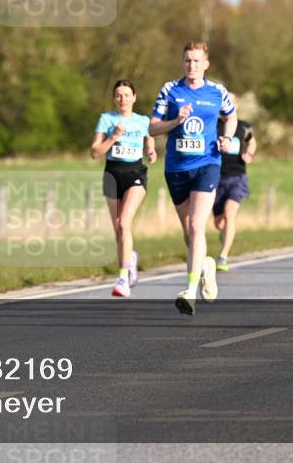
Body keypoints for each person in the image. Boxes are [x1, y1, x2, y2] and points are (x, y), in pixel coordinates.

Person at [151, 41, 236, 316]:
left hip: (207, 164)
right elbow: (152, 127)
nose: (192, 66)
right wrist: (175, 121)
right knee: (189, 233)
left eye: (197, 61)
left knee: (198, 228)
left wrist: (227, 136)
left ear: (206, 64)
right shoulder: (170, 90)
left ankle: (189, 291)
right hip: (176, 169)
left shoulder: (217, 92)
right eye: (188, 60)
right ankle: (206, 265)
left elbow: (231, 116)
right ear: (183, 62)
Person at [90, 80, 157, 298]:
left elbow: (150, 140)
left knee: (124, 222)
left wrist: (151, 151)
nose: (122, 99)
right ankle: (131, 258)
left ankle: (122, 278)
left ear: (134, 97)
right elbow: (95, 153)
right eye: (118, 95)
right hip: (112, 175)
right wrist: (114, 137)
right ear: (114, 98)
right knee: (118, 232)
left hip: (135, 174)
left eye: (127, 95)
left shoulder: (143, 120)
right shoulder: (106, 119)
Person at [212, 93, 256, 271]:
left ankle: (223, 256)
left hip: (237, 177)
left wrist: (250, 154)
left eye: (230, 102)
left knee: (230, 213)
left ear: (236, 106)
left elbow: (252, 141)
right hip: (215, 178)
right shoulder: (213, 125)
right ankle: (224, 238)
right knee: (219, 222)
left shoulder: (243, 126)